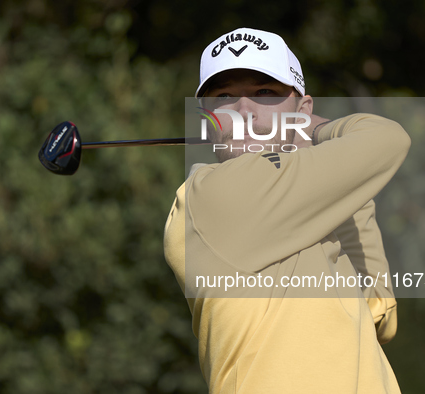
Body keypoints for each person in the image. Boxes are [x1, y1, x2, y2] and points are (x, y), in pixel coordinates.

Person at [164, 27, 410, 393]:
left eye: (265, 93)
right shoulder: (211, 196)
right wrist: (323, 132)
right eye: (224, 96)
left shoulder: (305, 203)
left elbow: (380, 315)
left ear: (301, 107)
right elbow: (388, 139)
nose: (244, 111)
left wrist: (335, 173)